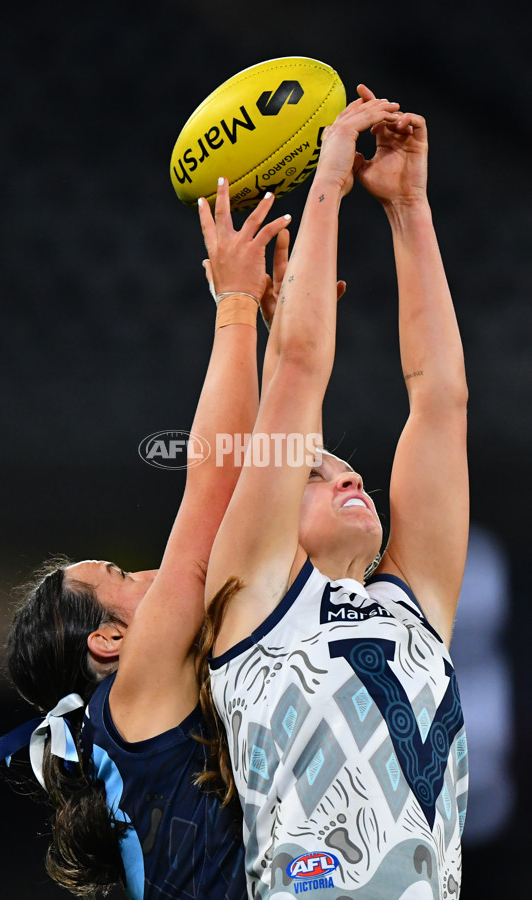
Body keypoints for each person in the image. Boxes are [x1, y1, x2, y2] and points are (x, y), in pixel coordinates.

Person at [0, 183, 292, 899]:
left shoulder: (161, 716)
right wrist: (236, 306)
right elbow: (215, 487)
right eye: (120, 573)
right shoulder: (134, 698)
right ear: (110, 642)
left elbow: (264, 488)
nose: (154, 572)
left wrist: (282, 340)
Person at [198, 85, 470, 899]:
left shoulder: (411, 606)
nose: (347, 471)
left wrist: (409, 208)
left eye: (340, 467)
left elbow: (440, 399)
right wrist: (327, 183)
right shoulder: (250, 601)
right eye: (312, 471)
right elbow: (303, 366)